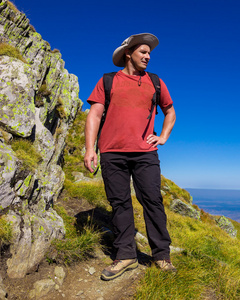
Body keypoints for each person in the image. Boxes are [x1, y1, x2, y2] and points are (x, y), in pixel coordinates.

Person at [84, 33, 176, 281]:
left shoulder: (155, 82)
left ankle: (161, 256)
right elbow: (94, 115)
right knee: (120, 203)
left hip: (145, 153)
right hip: (112, 152)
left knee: (153, 202)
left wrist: (163, 137)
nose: (148, 56)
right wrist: (90, 149)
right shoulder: (108, 81)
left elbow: (170, 111)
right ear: (128, 53)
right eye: (143, 52)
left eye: (149, 53)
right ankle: (126, 256)